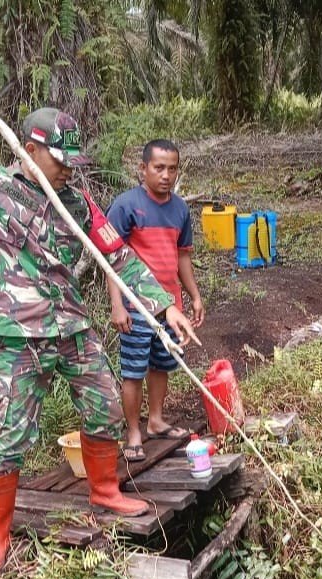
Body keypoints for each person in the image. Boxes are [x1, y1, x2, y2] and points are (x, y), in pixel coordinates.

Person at [0, 60, 196, 577]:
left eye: (75, 160)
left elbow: (118, 256)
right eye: (60, 159)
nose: (69, 170)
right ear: (29, 151)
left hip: (73, 328)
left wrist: (164, 304)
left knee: (105, 408)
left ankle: (105, 491)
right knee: (7, 438)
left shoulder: (78, 203)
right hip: (18, 338)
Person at [106, 139, 204, 462]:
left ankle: (156, 420)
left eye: (172, 168)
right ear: (143, 168)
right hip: (136, 305)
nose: (166, 175)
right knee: (134, 370)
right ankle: (134, 431)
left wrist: (194, 295)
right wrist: (117, 305)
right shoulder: (126, 205)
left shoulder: (180, 209)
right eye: (158, 167)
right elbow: (111, 258)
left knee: (162, 364)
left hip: (171, 306)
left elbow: (183, 256)